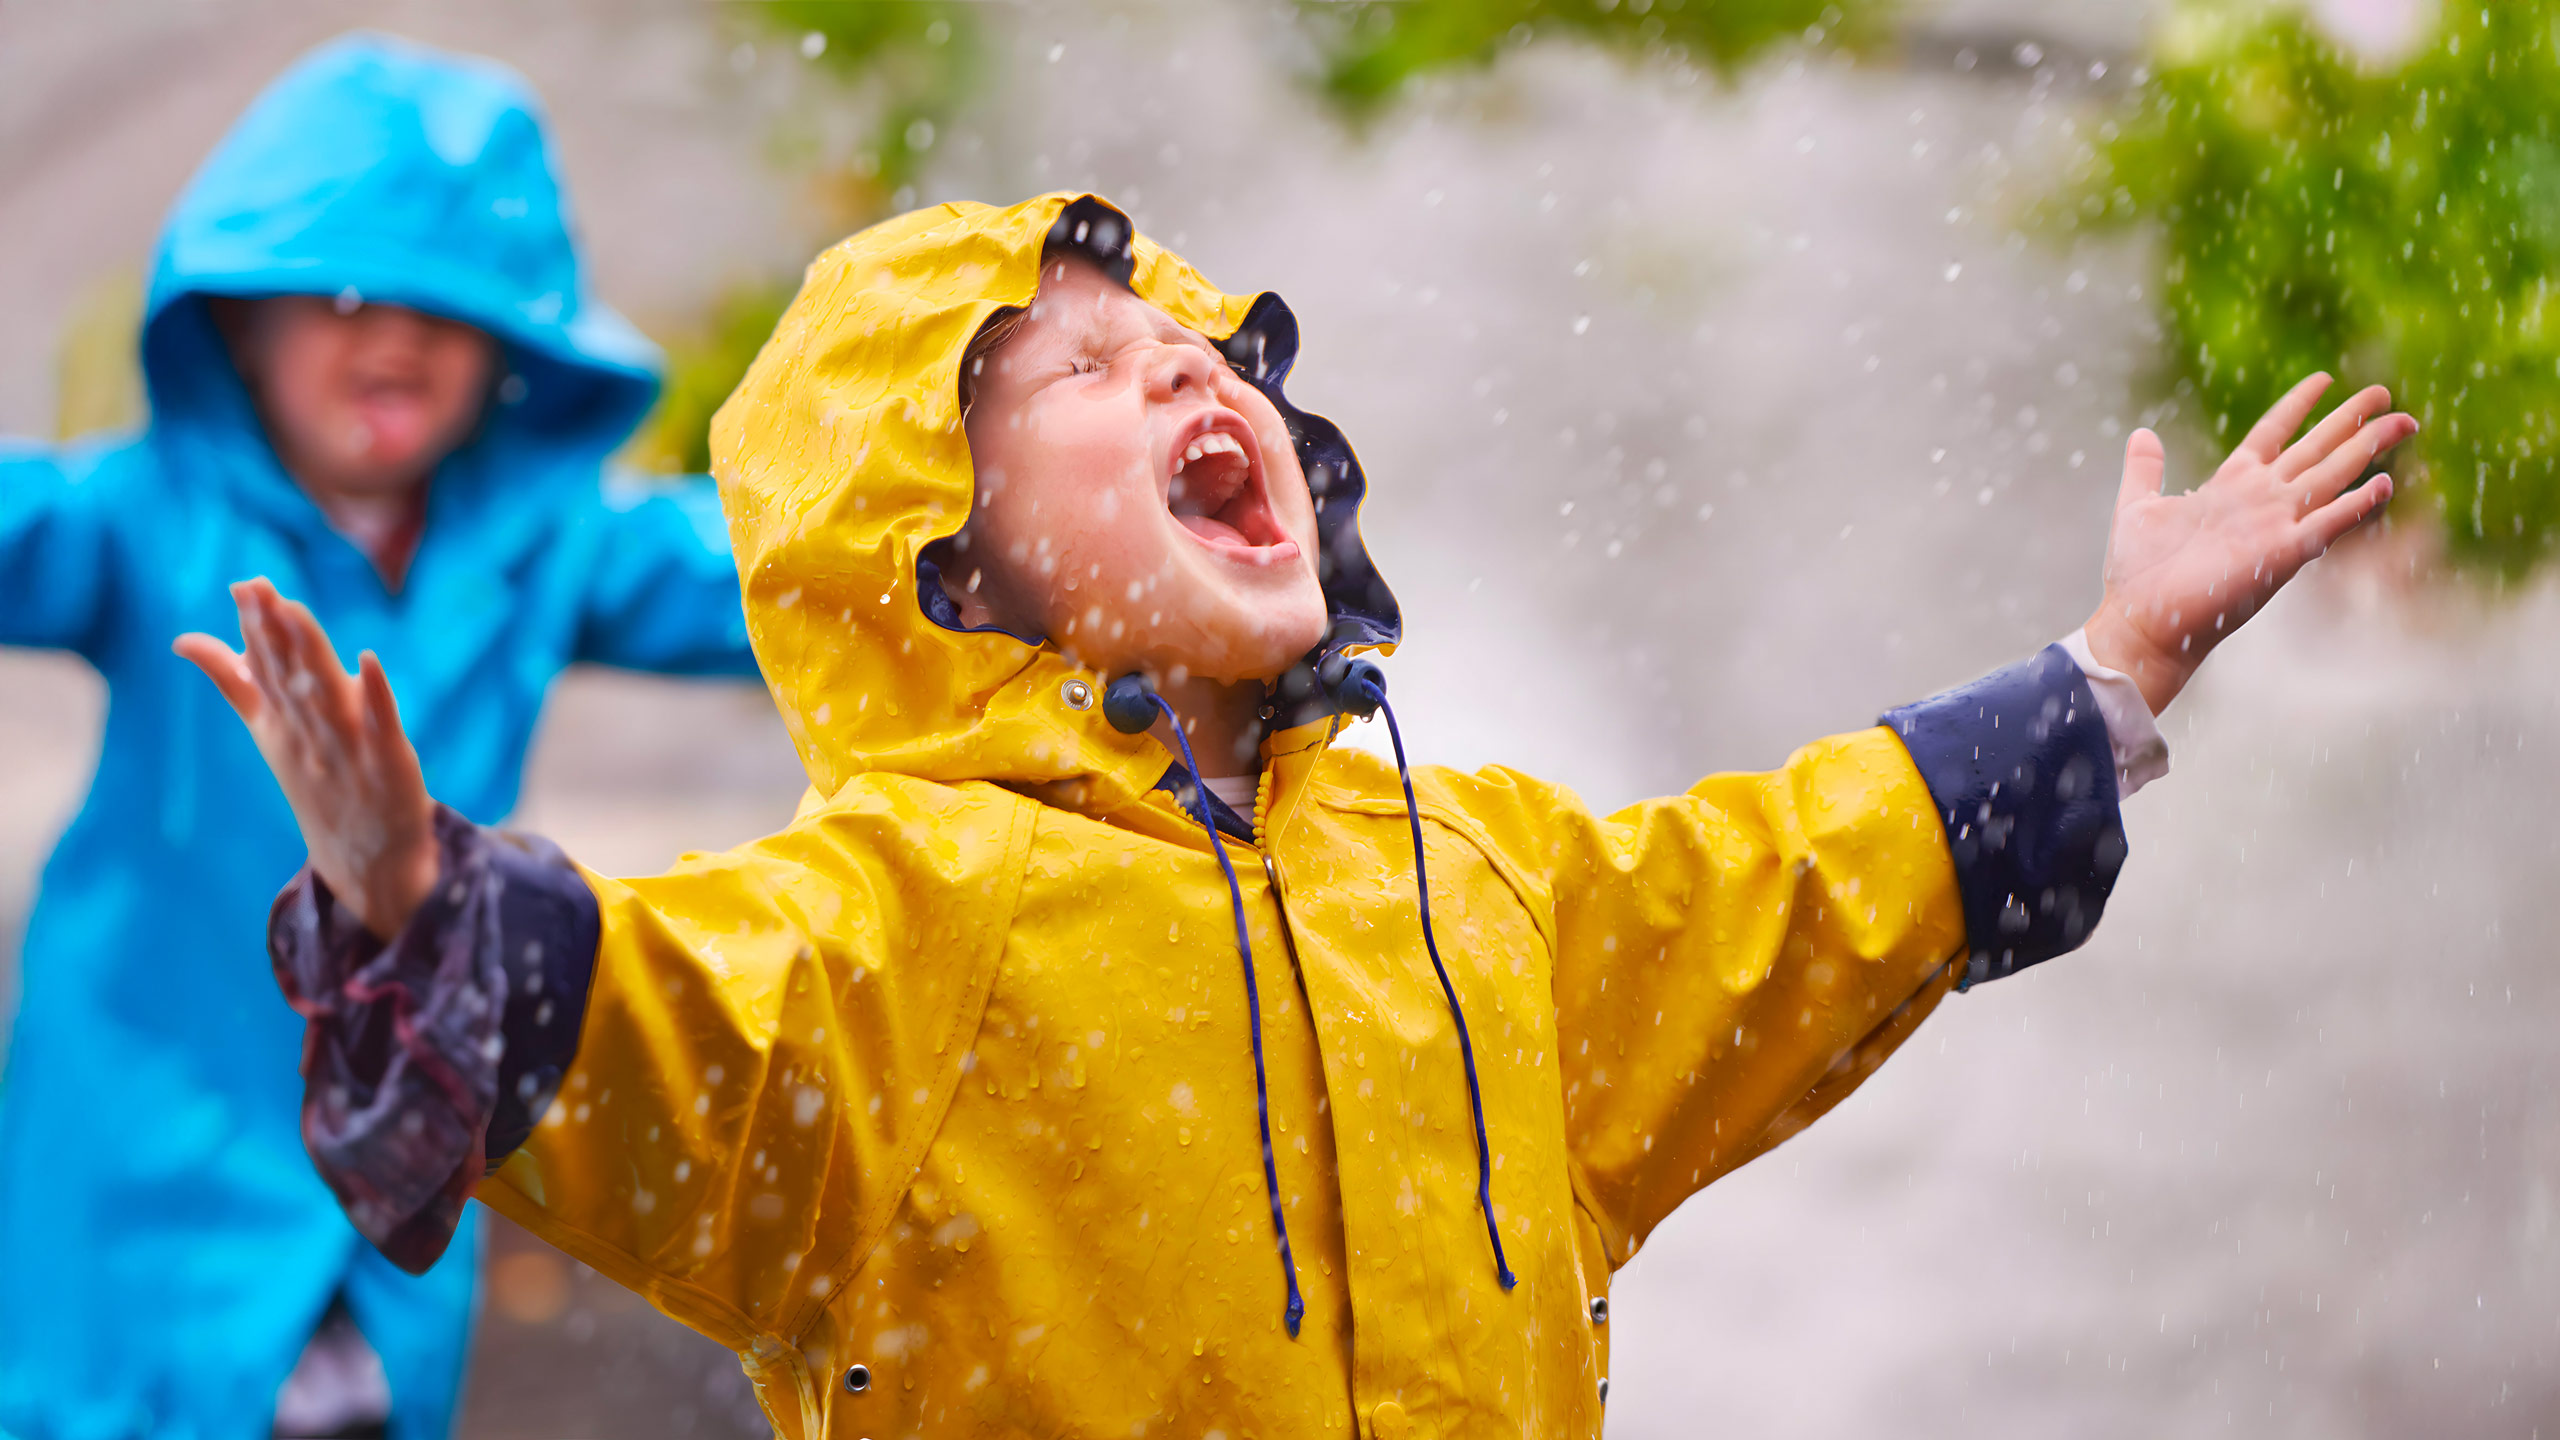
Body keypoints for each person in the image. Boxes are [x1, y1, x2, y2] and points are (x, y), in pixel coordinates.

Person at [185, 194, 2411, 1437]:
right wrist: (413, 905)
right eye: (1071, 373)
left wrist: (2104, 678)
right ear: (933, 564)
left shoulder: (1476, 878)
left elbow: (1786, 885)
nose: (1181, 369)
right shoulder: (906, 920)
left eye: (1197, 352)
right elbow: (668, 1028)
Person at [0, 34, 761, 1440]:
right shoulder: (142, 517)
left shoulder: (543, 547)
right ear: (241, 324)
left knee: (369, 1404)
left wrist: (1016, 550)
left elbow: (764, 577)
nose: (396, 335)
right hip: (144, 1118)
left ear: (513, 349)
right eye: (342, 295)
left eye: (451, 309)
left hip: (401, 1099)